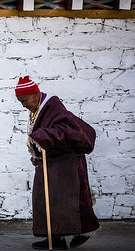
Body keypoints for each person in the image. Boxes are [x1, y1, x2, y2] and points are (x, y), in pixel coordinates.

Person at [15, 76, 100, 250]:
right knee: (44, 200)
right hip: (50, 163)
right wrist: (36, 153)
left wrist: (40, 138)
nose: (23, 105)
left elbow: (65, 130)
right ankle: (54, 239)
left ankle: (84, 230)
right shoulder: (38, 110)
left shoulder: (54, 108)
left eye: (24, 100)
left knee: (68, 201)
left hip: (66, 164)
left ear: (36, 94)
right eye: (20, 102)